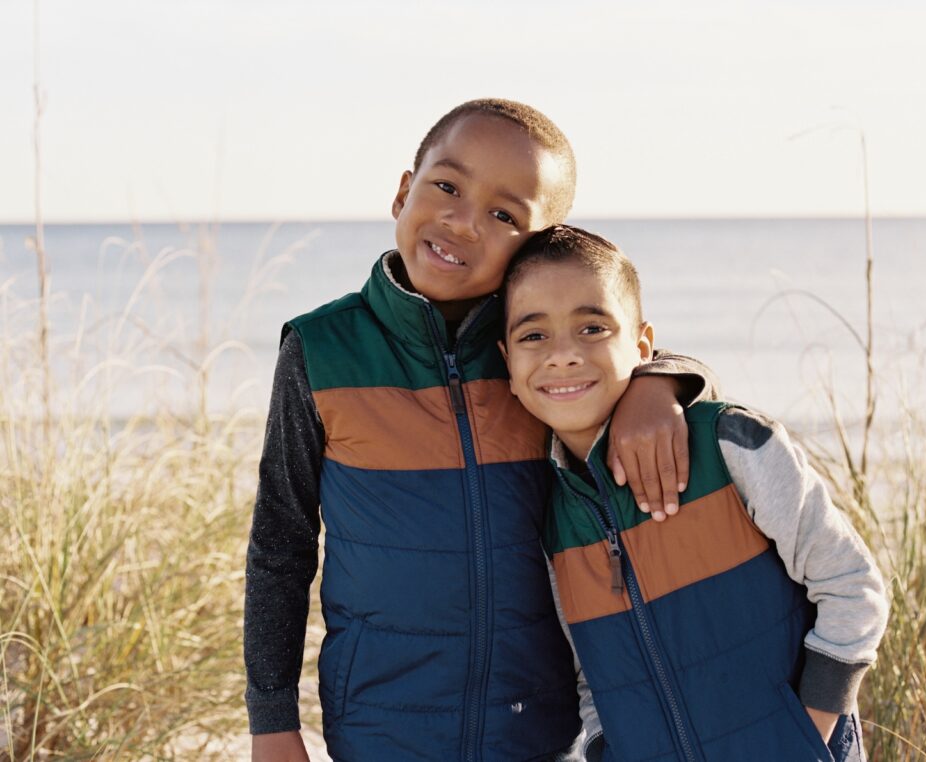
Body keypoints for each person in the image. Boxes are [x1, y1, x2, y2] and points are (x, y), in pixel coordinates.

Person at [245, 100, 718, 761]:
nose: (463, 222)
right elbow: (279, 544)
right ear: (403, 191)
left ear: (539, 248)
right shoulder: (322, 350)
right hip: (380, 730)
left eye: (505, 216)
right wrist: (272, 724)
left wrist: (662, 382)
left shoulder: (538, 361)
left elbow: (627, 349)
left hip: (538, 729)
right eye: (446, 186)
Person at [499, 225, 889, 762]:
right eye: (534, 335)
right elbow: (590, 681)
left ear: (641, 345)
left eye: (592, 327)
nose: (563, 354)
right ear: (507, 365)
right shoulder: (550, 522)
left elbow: (852, 587)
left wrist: (804, 733)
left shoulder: (728, 444)